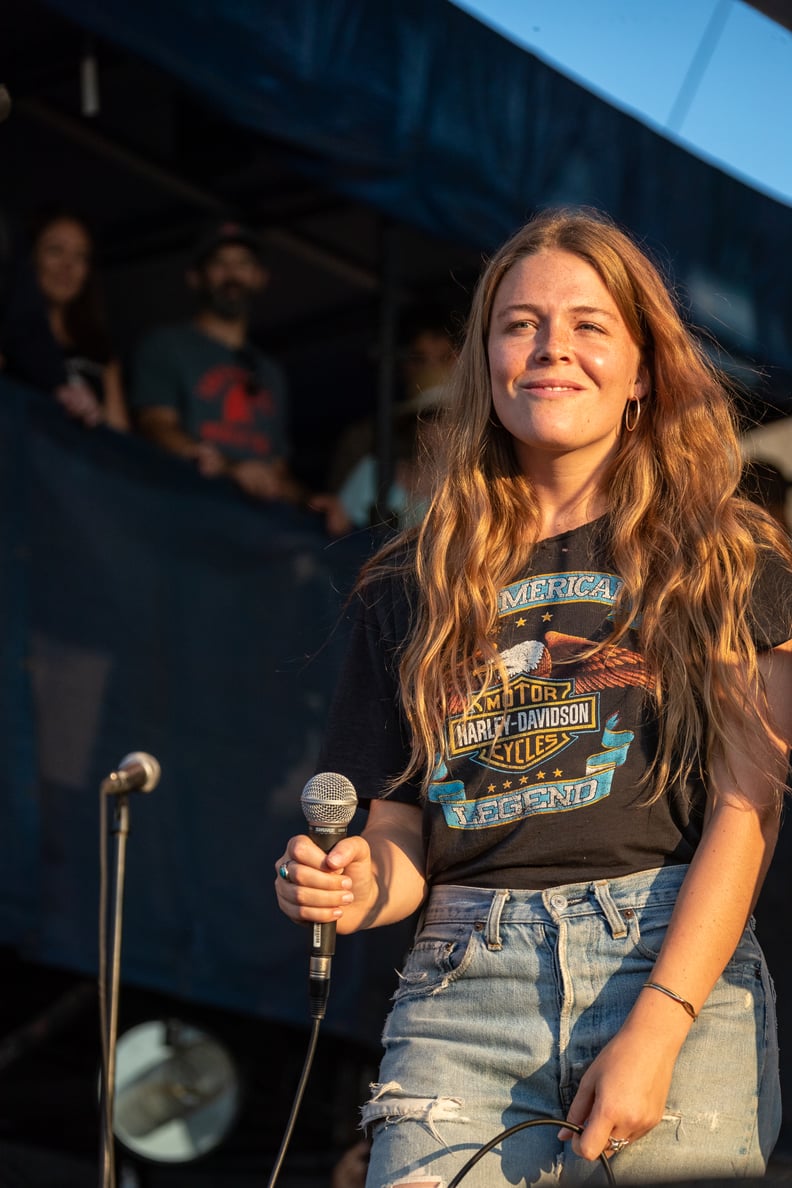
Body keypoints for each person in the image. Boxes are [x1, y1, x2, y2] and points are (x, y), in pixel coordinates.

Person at [275, 207, 792, 1187]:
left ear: (643, 367)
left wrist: (660, 1024)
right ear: (486, 362)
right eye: (520, 324)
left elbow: (746, 806)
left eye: (590, 324)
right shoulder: (407, 583)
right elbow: (400, 839)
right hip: (461, 982)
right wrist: (351, 889)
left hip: (664, 955)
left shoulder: (726, 556)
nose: (552, 347)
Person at [130, 221, 302, 503]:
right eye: (219, 263)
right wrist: (230, 469)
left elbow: (278, 471)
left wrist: (313, 501)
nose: (232, 274)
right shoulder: (166, 344)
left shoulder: (271, 372)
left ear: (260, 277)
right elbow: (155, 426)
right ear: (195, 277)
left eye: (243, 263)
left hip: (256, 530)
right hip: (183, 506)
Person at [29, 210, 129, 430]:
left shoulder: (101, 350)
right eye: (55, 250)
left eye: (80, 256)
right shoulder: (10, 336)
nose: (68, 266)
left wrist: (95, 415)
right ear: (30, 256)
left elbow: (120, 435)